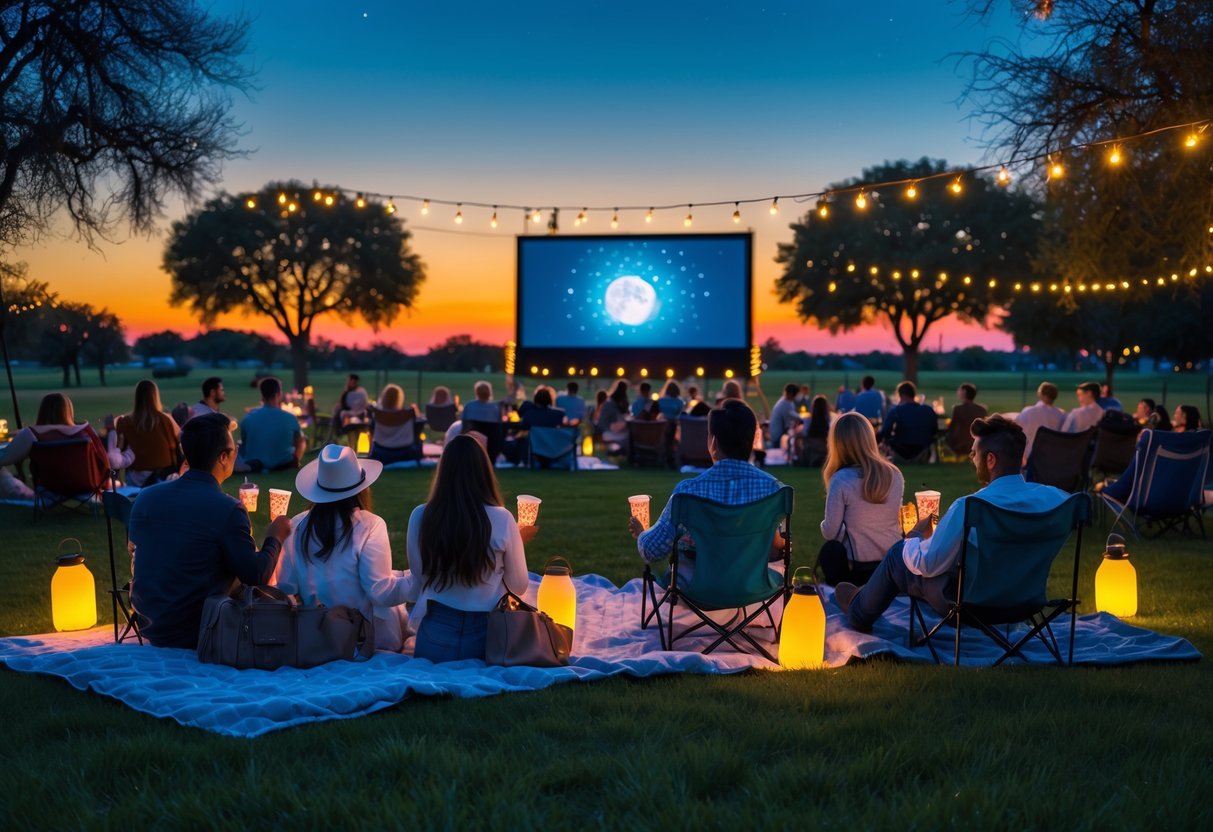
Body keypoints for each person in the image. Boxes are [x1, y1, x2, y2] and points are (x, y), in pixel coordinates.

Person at [835, 415, 1069, 633]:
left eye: (974, 454)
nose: (972, 460)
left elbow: (928, 565)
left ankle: (859, 611)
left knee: (899, 555)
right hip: (1027, 603)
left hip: (973, 607)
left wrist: (915, 536)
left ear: (990, 459)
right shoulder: (1055, 499)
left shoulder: (971, 506)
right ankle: (863, 594)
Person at [129, 412, 291, 648]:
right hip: (200, 627)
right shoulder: (226, 508)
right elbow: (256, 575)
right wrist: (275, 535)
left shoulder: (147, 497)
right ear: (223, 457)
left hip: (151, 624)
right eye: (234, 447)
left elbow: (138, 549)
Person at [404, 435, 536, 662]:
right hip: (487, 640)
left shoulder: (420, 516)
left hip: (433, 640)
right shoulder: (503, 519)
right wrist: (511, 548)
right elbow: (519, 586)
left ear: (443, 471)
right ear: (484, 472)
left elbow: (420, 575)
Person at [274, 444, 412, 651]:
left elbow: (286, 586)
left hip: (317, 634)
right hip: (366, 637)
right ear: (362, 487)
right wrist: (418, 578)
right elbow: (380, 592)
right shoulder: (370, 524)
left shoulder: (297, 525)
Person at [630, 399, 785, 582]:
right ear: (752, 441)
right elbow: (777, 550)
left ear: (713, 442)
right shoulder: (773, 489)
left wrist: (641, 533)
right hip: (752, 587)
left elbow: (652, 552)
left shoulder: (688, 491)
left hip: (699, 590)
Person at [818, 412, 904, 586]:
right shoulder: (894, 474)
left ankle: (846, 595)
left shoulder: (841, 479)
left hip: (858, 570)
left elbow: (830, 532)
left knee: (830, 551)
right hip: (893, 565)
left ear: (837, 444)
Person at [0, 392, 114, 482]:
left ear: (43, 410)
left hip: (50, 488)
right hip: (88, 486)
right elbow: (104, 463)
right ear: (69, 410)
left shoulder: (32, 433)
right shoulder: (86, 430)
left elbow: (5, 459)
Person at [114, 379, 182, 486]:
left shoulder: (124, 422)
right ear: (156, 397)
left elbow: (117, 454)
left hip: (136, 479)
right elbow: (178, 449)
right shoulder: (166, 420)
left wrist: (114, 479)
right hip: (164, 477)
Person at [238, 377, 306, 472]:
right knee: (301, 439)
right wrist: (295, 459)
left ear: (262, 395)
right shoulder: (290, 417)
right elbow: (300, 442)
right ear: (279, 394)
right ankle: (293, 463)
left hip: (254, 464)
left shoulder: (248, 418)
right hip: (283, 464)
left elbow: (245, 445)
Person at [877, 381, 938, 462]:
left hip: (901, 451)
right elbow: (934, 431)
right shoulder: (928, 410)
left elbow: (885, 432)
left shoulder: (896, 410)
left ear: (900, 395)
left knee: (887, 440)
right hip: (922, 450)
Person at [368, 383, 422, 464]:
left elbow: (371, 430)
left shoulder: (377, 413)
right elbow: (418, 428)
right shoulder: (409, 413)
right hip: (405, 452)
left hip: (380, 452)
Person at [1016, 382, 1066, 462]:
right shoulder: (1061, 415)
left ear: (1040, 394)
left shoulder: (1028, 411)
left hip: (1029, 459)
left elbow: (1017, 432)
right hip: (1052, 459)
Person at [944, 383, 988, 456]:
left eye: (959, 390)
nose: (957, 392)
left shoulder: (958, 409)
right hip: (978, 445)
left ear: (964, 392)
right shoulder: (982, 409)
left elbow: (952, 428)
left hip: (960, 446)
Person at [794, 394, 831, 466]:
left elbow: (803, 434)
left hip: (811, 451)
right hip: (825, 451)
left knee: (797, 437)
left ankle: (799, 459)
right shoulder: (829, 421)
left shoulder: (808, 421)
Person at [597, 379, 630, 448]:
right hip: (608, 432)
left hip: (610, 431)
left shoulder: (611, 403)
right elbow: (609, 424)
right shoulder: (611, 404)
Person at [767, 383, 801, 450]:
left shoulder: (784, 401)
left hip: (776, 434)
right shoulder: (785, 404)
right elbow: (794, 417)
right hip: (778, 436)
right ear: (791, 394)